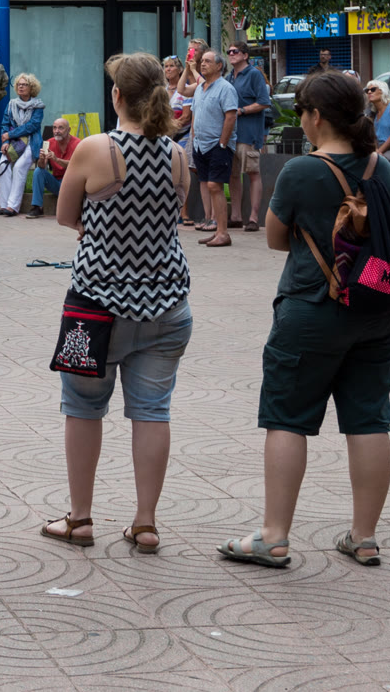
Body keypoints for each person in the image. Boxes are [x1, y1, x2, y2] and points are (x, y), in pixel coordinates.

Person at [219, 70, 390, 570]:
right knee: (369, 418)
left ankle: (274, 536)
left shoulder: (302, 170)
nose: (300, 119)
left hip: (312, 307)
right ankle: (364, 537)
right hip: (377, 310)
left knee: (287, 418)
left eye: (301, 111)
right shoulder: (380, 168)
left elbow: (276, 238)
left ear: (317, 116)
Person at [41, 53, 192, 551]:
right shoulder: (177, 155)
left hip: (95, 305)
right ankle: (145, 523)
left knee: (83, 408)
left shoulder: (95, 148)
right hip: (167, 304)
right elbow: (172, 217)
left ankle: (80, 519)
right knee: (152, 411)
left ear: (117, 96)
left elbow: (66, 216)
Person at [188, 49, 238, 246]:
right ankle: (217, 231)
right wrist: (194, 138)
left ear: (219, 66)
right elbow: (195, 114)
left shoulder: (226, 88)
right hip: (200, 145)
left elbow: (231, 116)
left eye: (208, 61)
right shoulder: (200, 88)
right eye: (202, 61)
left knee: (214, 186)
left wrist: (223, 143)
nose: (202, 64)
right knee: (208, 184)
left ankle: (223, 233)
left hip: (218, 145)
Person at [227, 44, 271, 230]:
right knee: (233, 175)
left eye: (235, 51)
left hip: (249, 133)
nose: (231, 54)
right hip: (231, 134)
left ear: (245, 55)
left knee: (253, 173)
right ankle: (236, 216)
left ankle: (253, 218)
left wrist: (242, 111)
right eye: (229, 52)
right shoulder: (229, 76)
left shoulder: (254, 74)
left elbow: (264, 102)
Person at [0, 73, 45, 217]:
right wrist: (5, 142)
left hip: (31, 142)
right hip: (13, 142)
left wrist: (10, 135)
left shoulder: (38, 106)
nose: (21, 87)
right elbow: (5, 124)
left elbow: (32, 126)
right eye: (19, 84)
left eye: (24, 84)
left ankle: (12, 207)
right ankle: (3, 206)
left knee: (19, 167)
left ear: (32, 88)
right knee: (3, 164)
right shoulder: (11, 104)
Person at [26, 116, 78, 217]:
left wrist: (56, 159)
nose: (57, 131)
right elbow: (42, 166)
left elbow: (76, 166)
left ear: (68, 130)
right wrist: (41, 159)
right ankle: (37, 207)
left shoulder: (77, 143)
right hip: (56, 183)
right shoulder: (49, 142)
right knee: (38, 171)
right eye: (54, 128)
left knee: (70, 178)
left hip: (71, 184)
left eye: (60, 128)